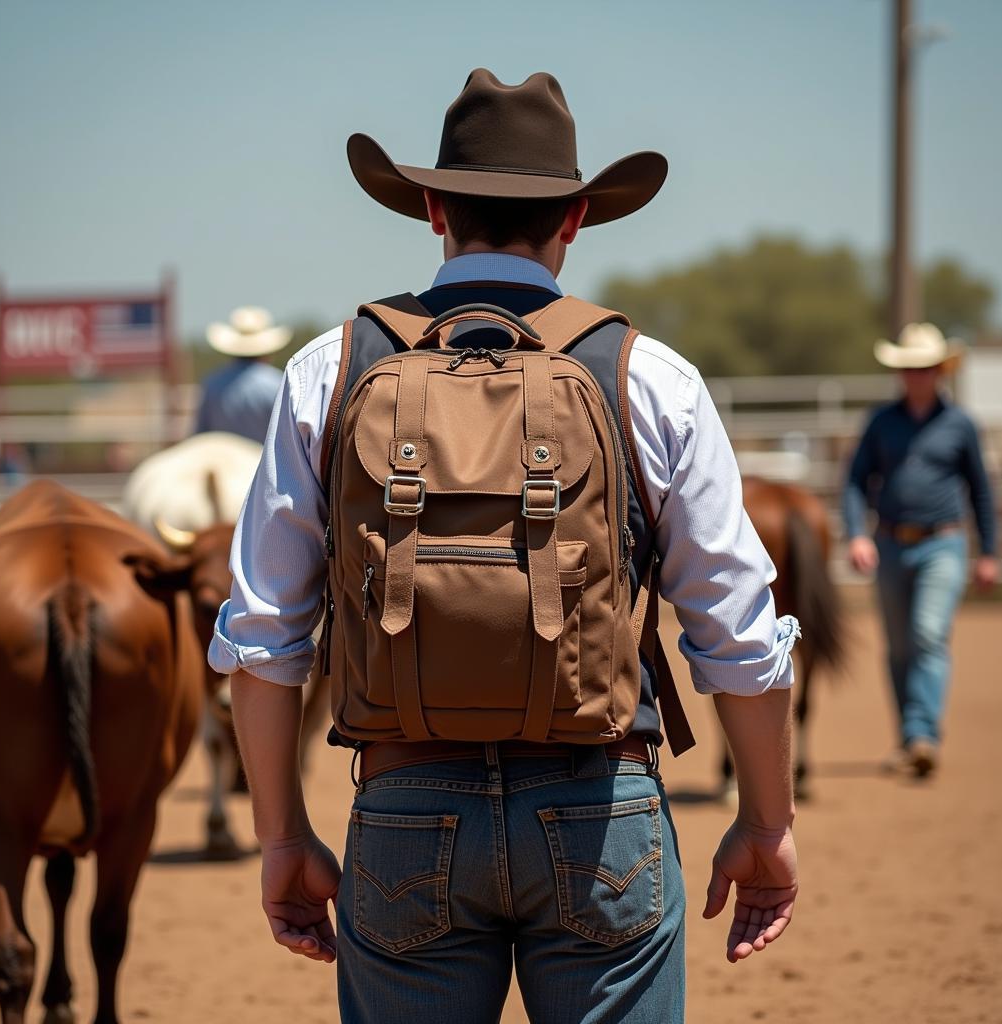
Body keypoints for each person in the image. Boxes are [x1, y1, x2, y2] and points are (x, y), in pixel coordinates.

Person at [210, 69, 799, 1023]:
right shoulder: (650, 377)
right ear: (575, 220)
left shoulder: (333, 368)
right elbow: (736, 629)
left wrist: (282, 839)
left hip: (404, 804)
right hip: (601, 810)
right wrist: (767, 823)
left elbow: (264, 633)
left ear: (433, 209)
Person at [844, 322, 998, 779]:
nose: (917, 375)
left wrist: (988, 552)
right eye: (910, 368)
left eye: (925, 367)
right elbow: (855, 481)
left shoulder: (960, 425)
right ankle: (911, 739)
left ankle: (922, 733)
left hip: (943, 544)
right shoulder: (880, 423)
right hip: (890, 543)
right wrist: (856, 533)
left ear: (940, 371)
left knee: (928, 634)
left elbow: (982, 491)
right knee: (897, 646)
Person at [195, 306, 291, 443]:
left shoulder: (212, 384)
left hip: (221, 457)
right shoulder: (277, 383)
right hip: (263, 460)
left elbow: (200, 435)